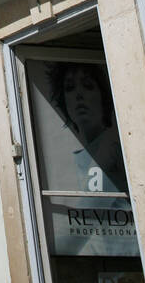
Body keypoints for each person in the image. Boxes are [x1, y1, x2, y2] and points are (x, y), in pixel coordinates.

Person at [47, 61, 128, 193]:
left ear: (103, 95)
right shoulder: (73, 159)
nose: (79, 95)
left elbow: (89, 201)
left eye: (88, 86)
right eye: (70, 88)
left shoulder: (114, 147)